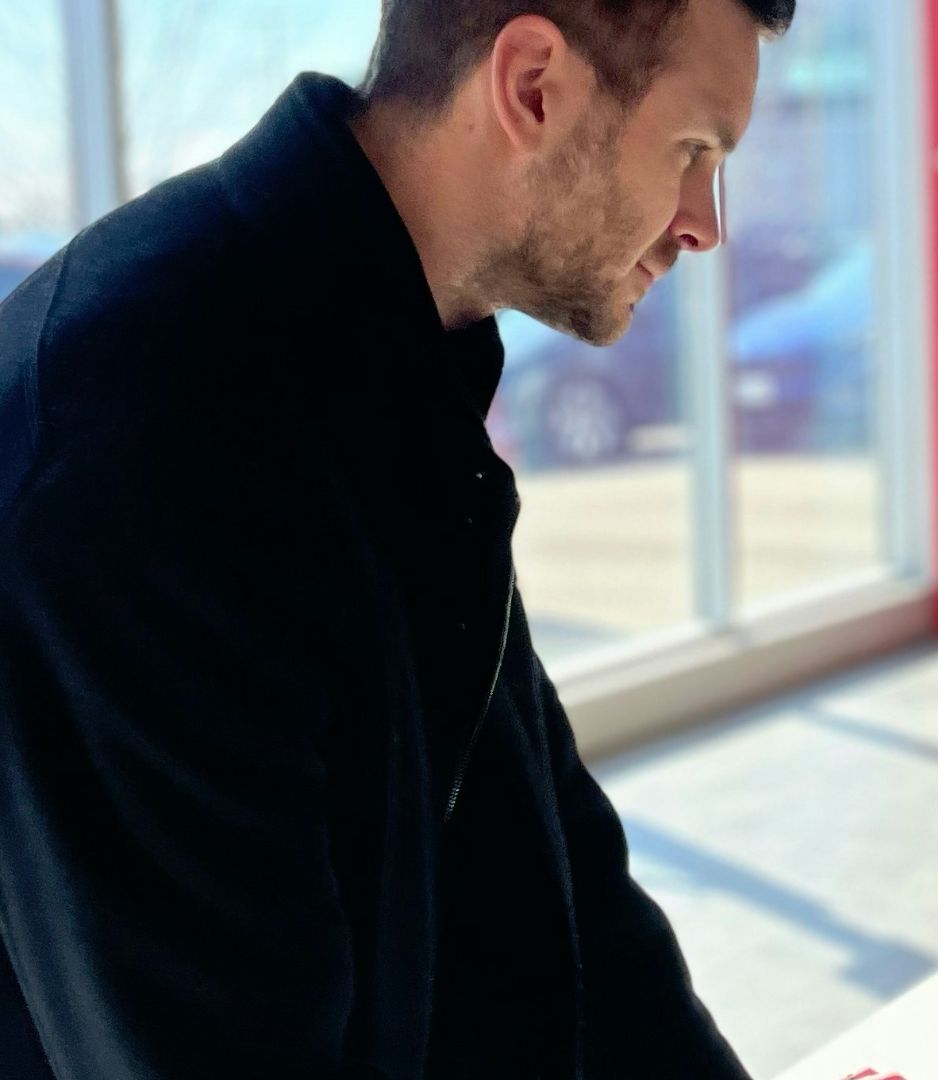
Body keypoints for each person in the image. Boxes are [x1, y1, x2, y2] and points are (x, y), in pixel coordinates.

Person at [0, 0, 792, 1076]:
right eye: (694, 148)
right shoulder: (137, 441)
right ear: (532, 88)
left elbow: (566, 904)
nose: (706, 221)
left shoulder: (391, 366)